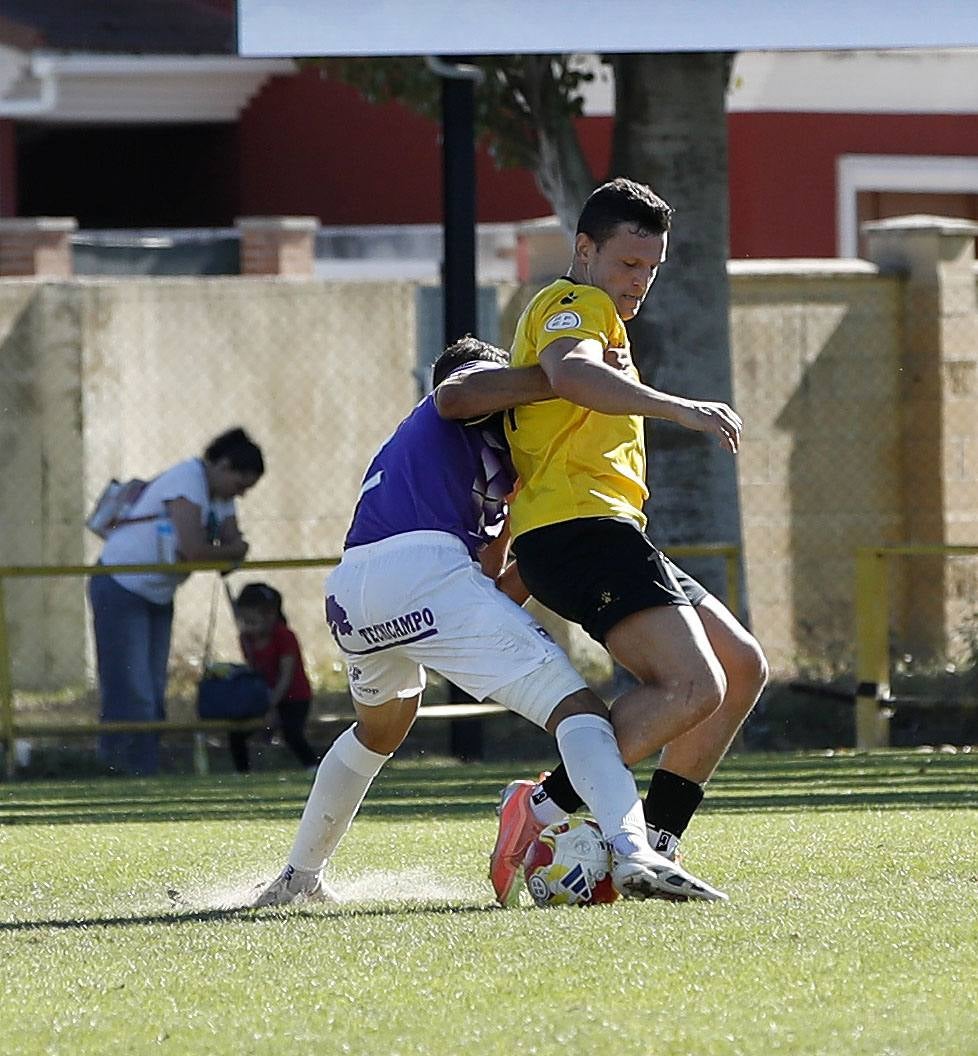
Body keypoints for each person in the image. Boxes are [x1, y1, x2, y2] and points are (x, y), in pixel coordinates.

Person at [252, 336, 726, 907]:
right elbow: (457, 392)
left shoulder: (468, 464)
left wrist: (503, 621)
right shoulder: (466, 399)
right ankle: (634, 852)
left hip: (355, 591)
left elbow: (494, 578)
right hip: (424, 570)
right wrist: (560, 374)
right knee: (578, 712)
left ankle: (298, 878)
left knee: (379, 731)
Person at [481, 177, 769, 903]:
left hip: (604, 531)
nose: (638, 282)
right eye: (626, 263)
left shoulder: (602, 312)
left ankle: (657, 843)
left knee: (740, 667)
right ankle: (541, 808)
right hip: (582, 532)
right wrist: (682, 410)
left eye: (651, 269)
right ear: (585, 249)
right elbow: (568, 372)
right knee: (691, 684)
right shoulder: (575, 303)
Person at [89, 427, 264, 776]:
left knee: (153, 692)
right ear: (223, 466)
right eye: (240, 484)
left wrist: (229, 550)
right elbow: (194, 550)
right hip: (121, 586)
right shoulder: (188, 479)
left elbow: (227, 542)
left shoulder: (218, 494)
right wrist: (231, 551)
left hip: (157, 593)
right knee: (131, 690)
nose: (241, 496)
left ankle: (143, 770)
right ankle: (118, 770)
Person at [230, 582, 321, 773]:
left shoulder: (285, 636)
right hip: (266, 697)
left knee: (292, 733)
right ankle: (243, 775)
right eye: (244, 622)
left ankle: (314, 768)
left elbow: (286, 677)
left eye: (252, 622)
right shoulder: (246, 639)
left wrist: (271, 706)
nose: (248, 627)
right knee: (236, 732)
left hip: (294, 697)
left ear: (270, 616)